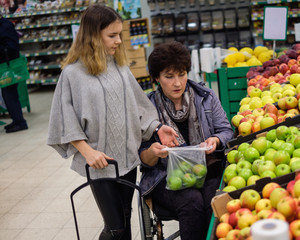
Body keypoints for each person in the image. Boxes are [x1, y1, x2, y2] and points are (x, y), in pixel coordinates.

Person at [46, 4, 178, 240]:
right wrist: (87, 152)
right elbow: (64, 119)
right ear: (93, 36)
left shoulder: (119, 68)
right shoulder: (72, 74)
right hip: (99, 164)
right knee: (115, 228)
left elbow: (138, 105)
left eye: (119, 34)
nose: (119, 41)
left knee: (125, 222)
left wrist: (158, 128)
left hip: (126, 158)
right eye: (112, 35)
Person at [139, 41, 234, 240]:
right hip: (165, 177)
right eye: (169, 76)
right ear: (156, 78)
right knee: (191, 202)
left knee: (214, 200)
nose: (177, 83)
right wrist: (154, 152)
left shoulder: (205, 97)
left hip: (207, 168)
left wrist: (215, 140)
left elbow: (226, 130)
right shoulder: (147, 108)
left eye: (181, 74)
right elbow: (143, 157)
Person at [0, 11, 28, 133]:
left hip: (9, 66)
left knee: (10, 94)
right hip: (6, 65)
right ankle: (16, 120)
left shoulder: (5, 25)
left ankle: (20, 122)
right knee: (8, 94)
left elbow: (11, 47)